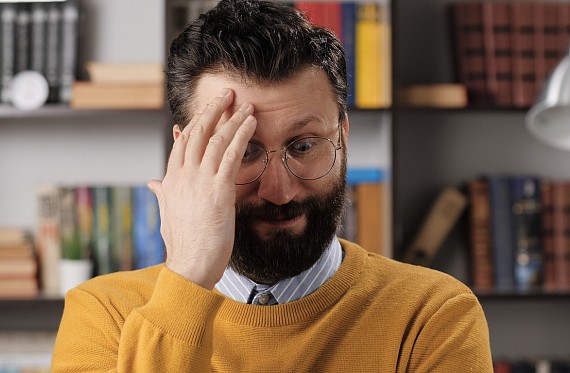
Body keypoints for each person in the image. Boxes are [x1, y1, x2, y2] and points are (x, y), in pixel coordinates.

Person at [51, 0, 493, 371]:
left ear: (342, 136)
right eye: (244, 150)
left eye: (303, 145)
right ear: (186, 155)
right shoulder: (103, 313)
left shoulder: (433, 315)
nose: (280, 191)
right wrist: (187, 278)